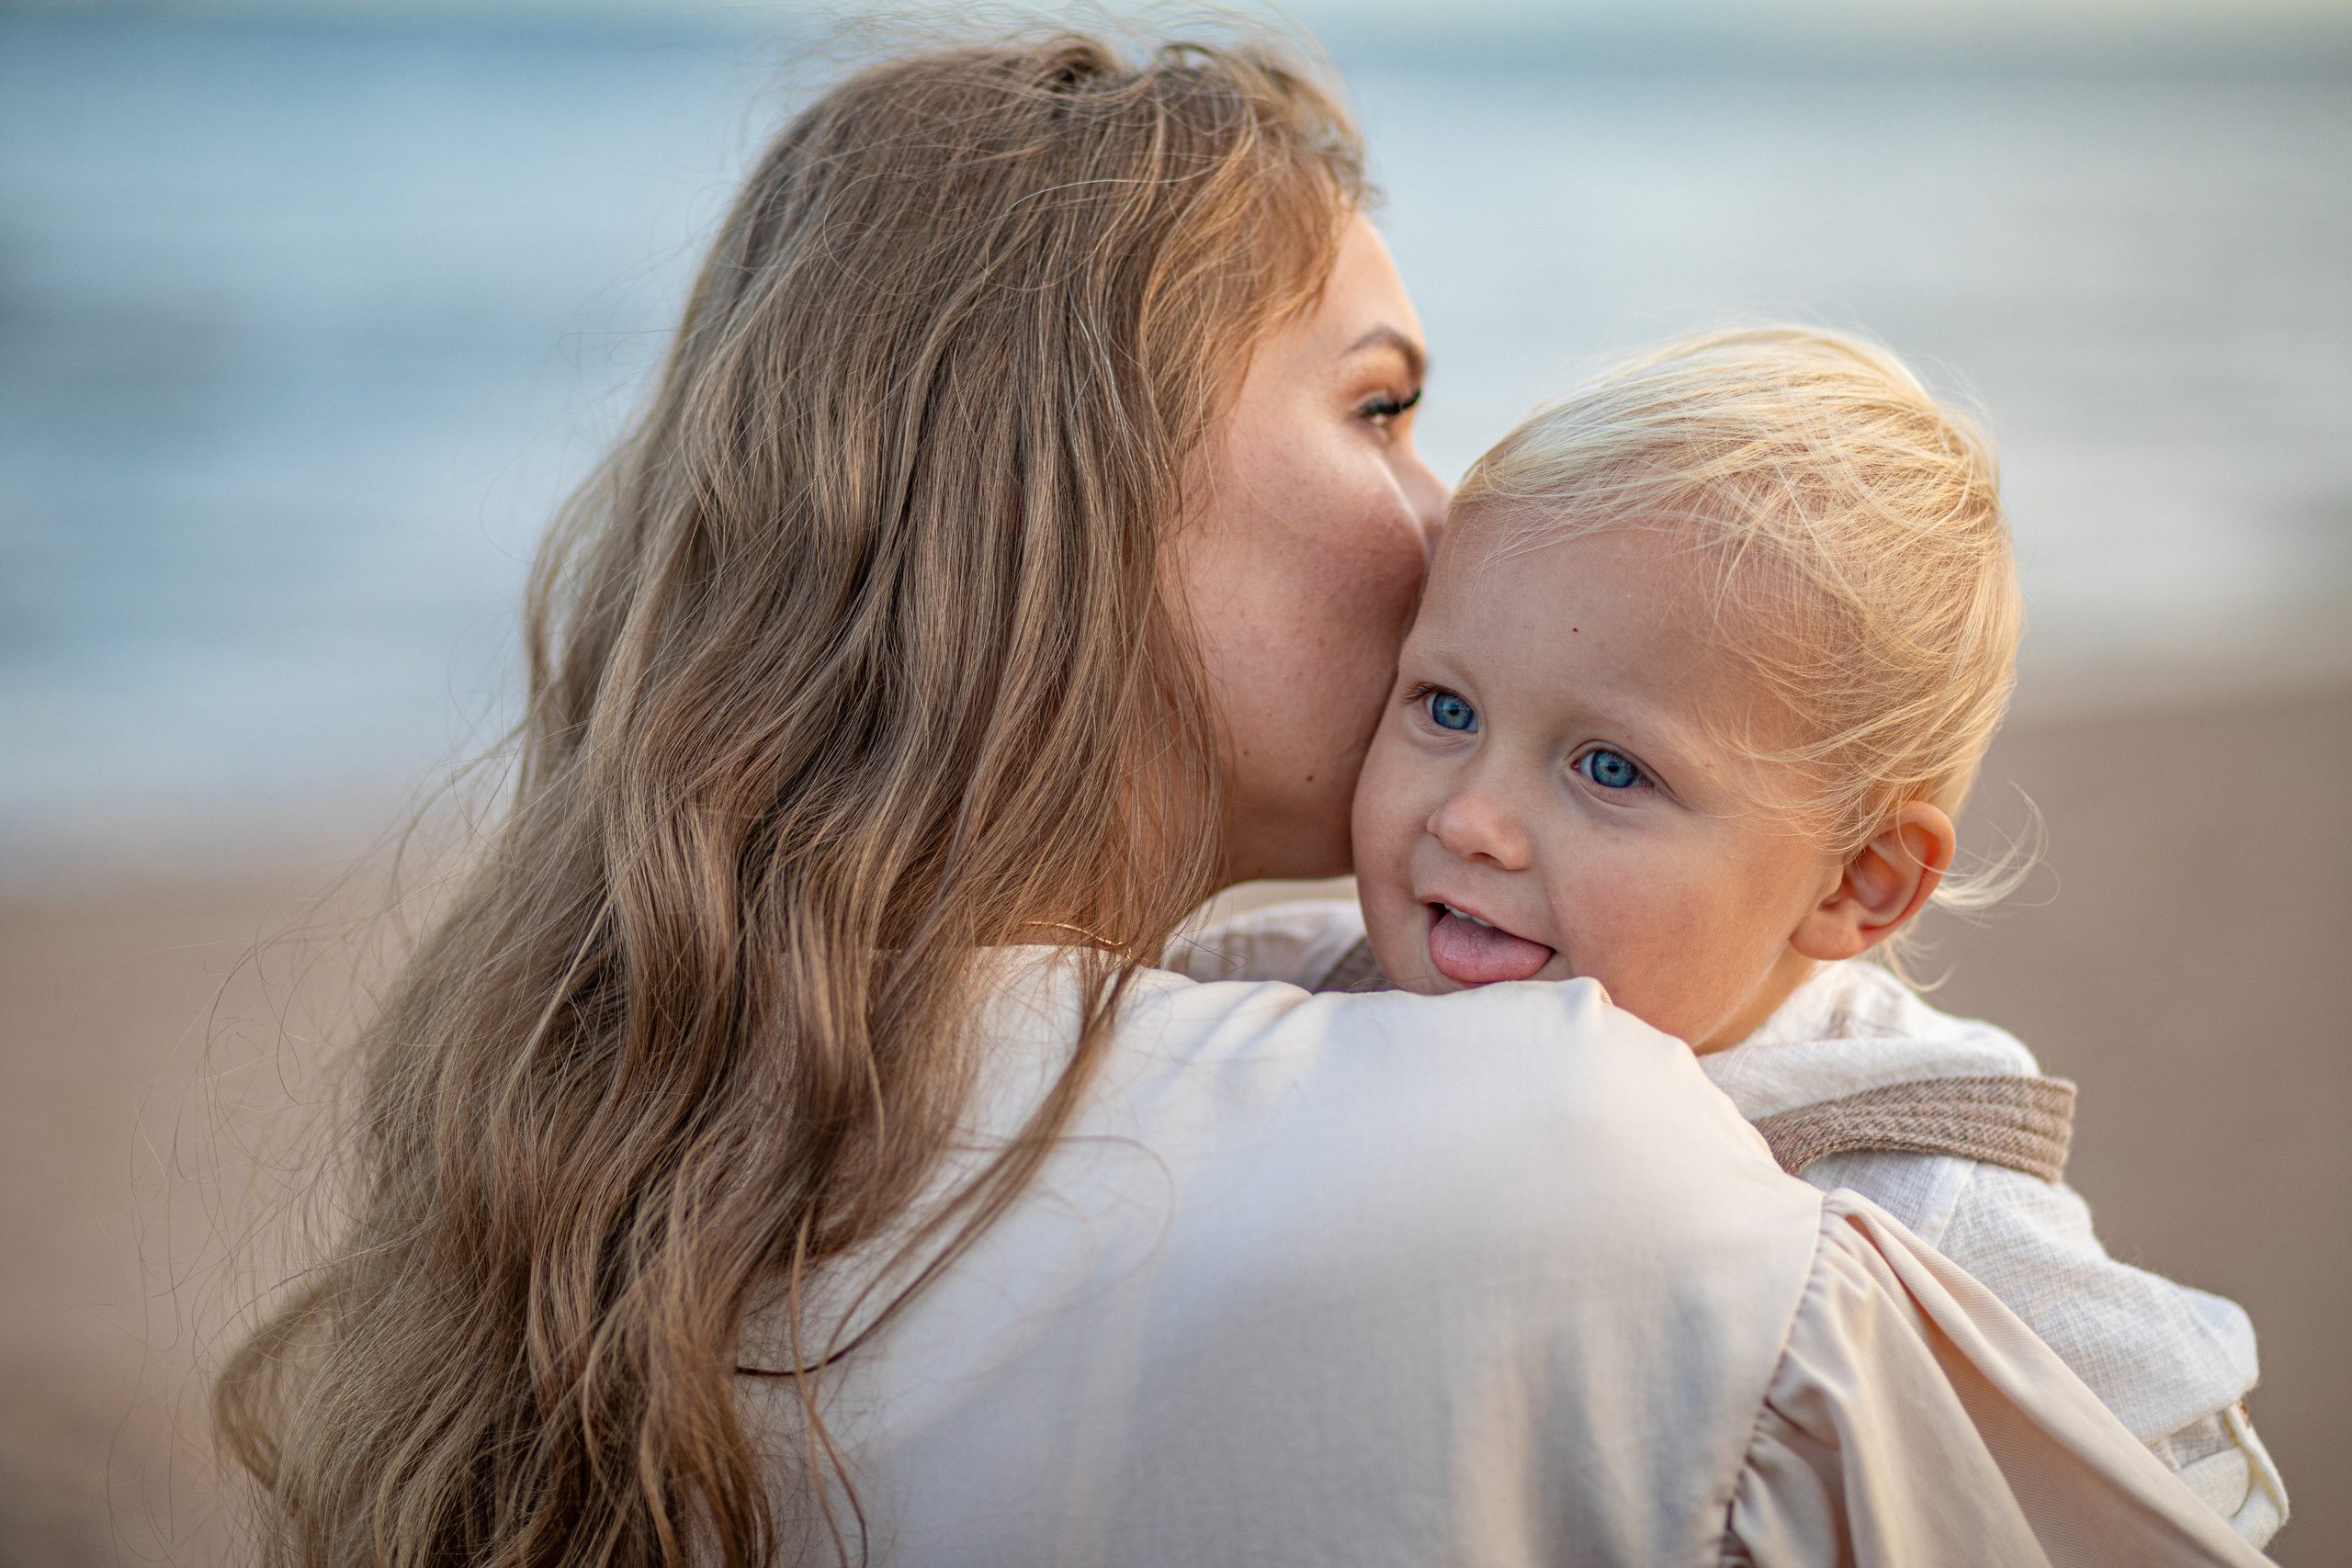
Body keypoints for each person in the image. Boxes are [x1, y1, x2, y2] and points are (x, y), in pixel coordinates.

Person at [213, 26, 2275, 1567]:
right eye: (1378, 404)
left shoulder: (661, 1138)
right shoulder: (1556, 1150)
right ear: (1071, 501)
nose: (1443, 505)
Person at [1188, 327, 2284, 1544]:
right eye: (1446, 707)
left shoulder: (1902, 1176)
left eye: (1610, 768)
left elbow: (2190, 1480)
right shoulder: (1296, 981)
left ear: (1857, 884)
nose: (1473, 818)